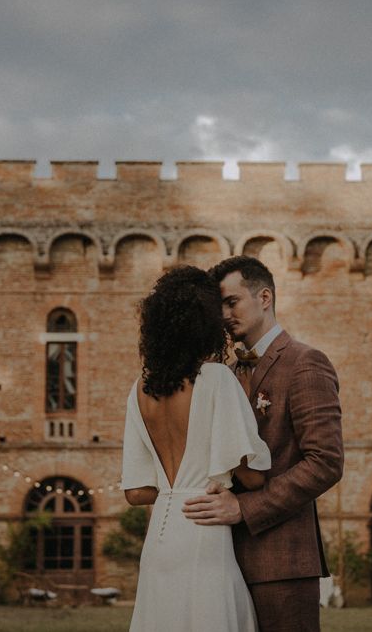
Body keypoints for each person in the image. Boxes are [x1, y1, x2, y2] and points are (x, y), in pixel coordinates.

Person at [182, 255, 344, 632]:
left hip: (282, 563)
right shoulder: (228, 372)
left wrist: (244, 508)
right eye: (218, 306)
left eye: (231, 302)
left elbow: (326, 461)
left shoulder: (305, 362)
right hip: (223, 560)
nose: (223, 314)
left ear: (265, 297)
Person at [121, 266, 271, 631]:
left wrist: (174, 484)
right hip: (203, 529)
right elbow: (253, 479)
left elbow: (137, 492)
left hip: (160, 538)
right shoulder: (217, 379)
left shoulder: (139, 390)